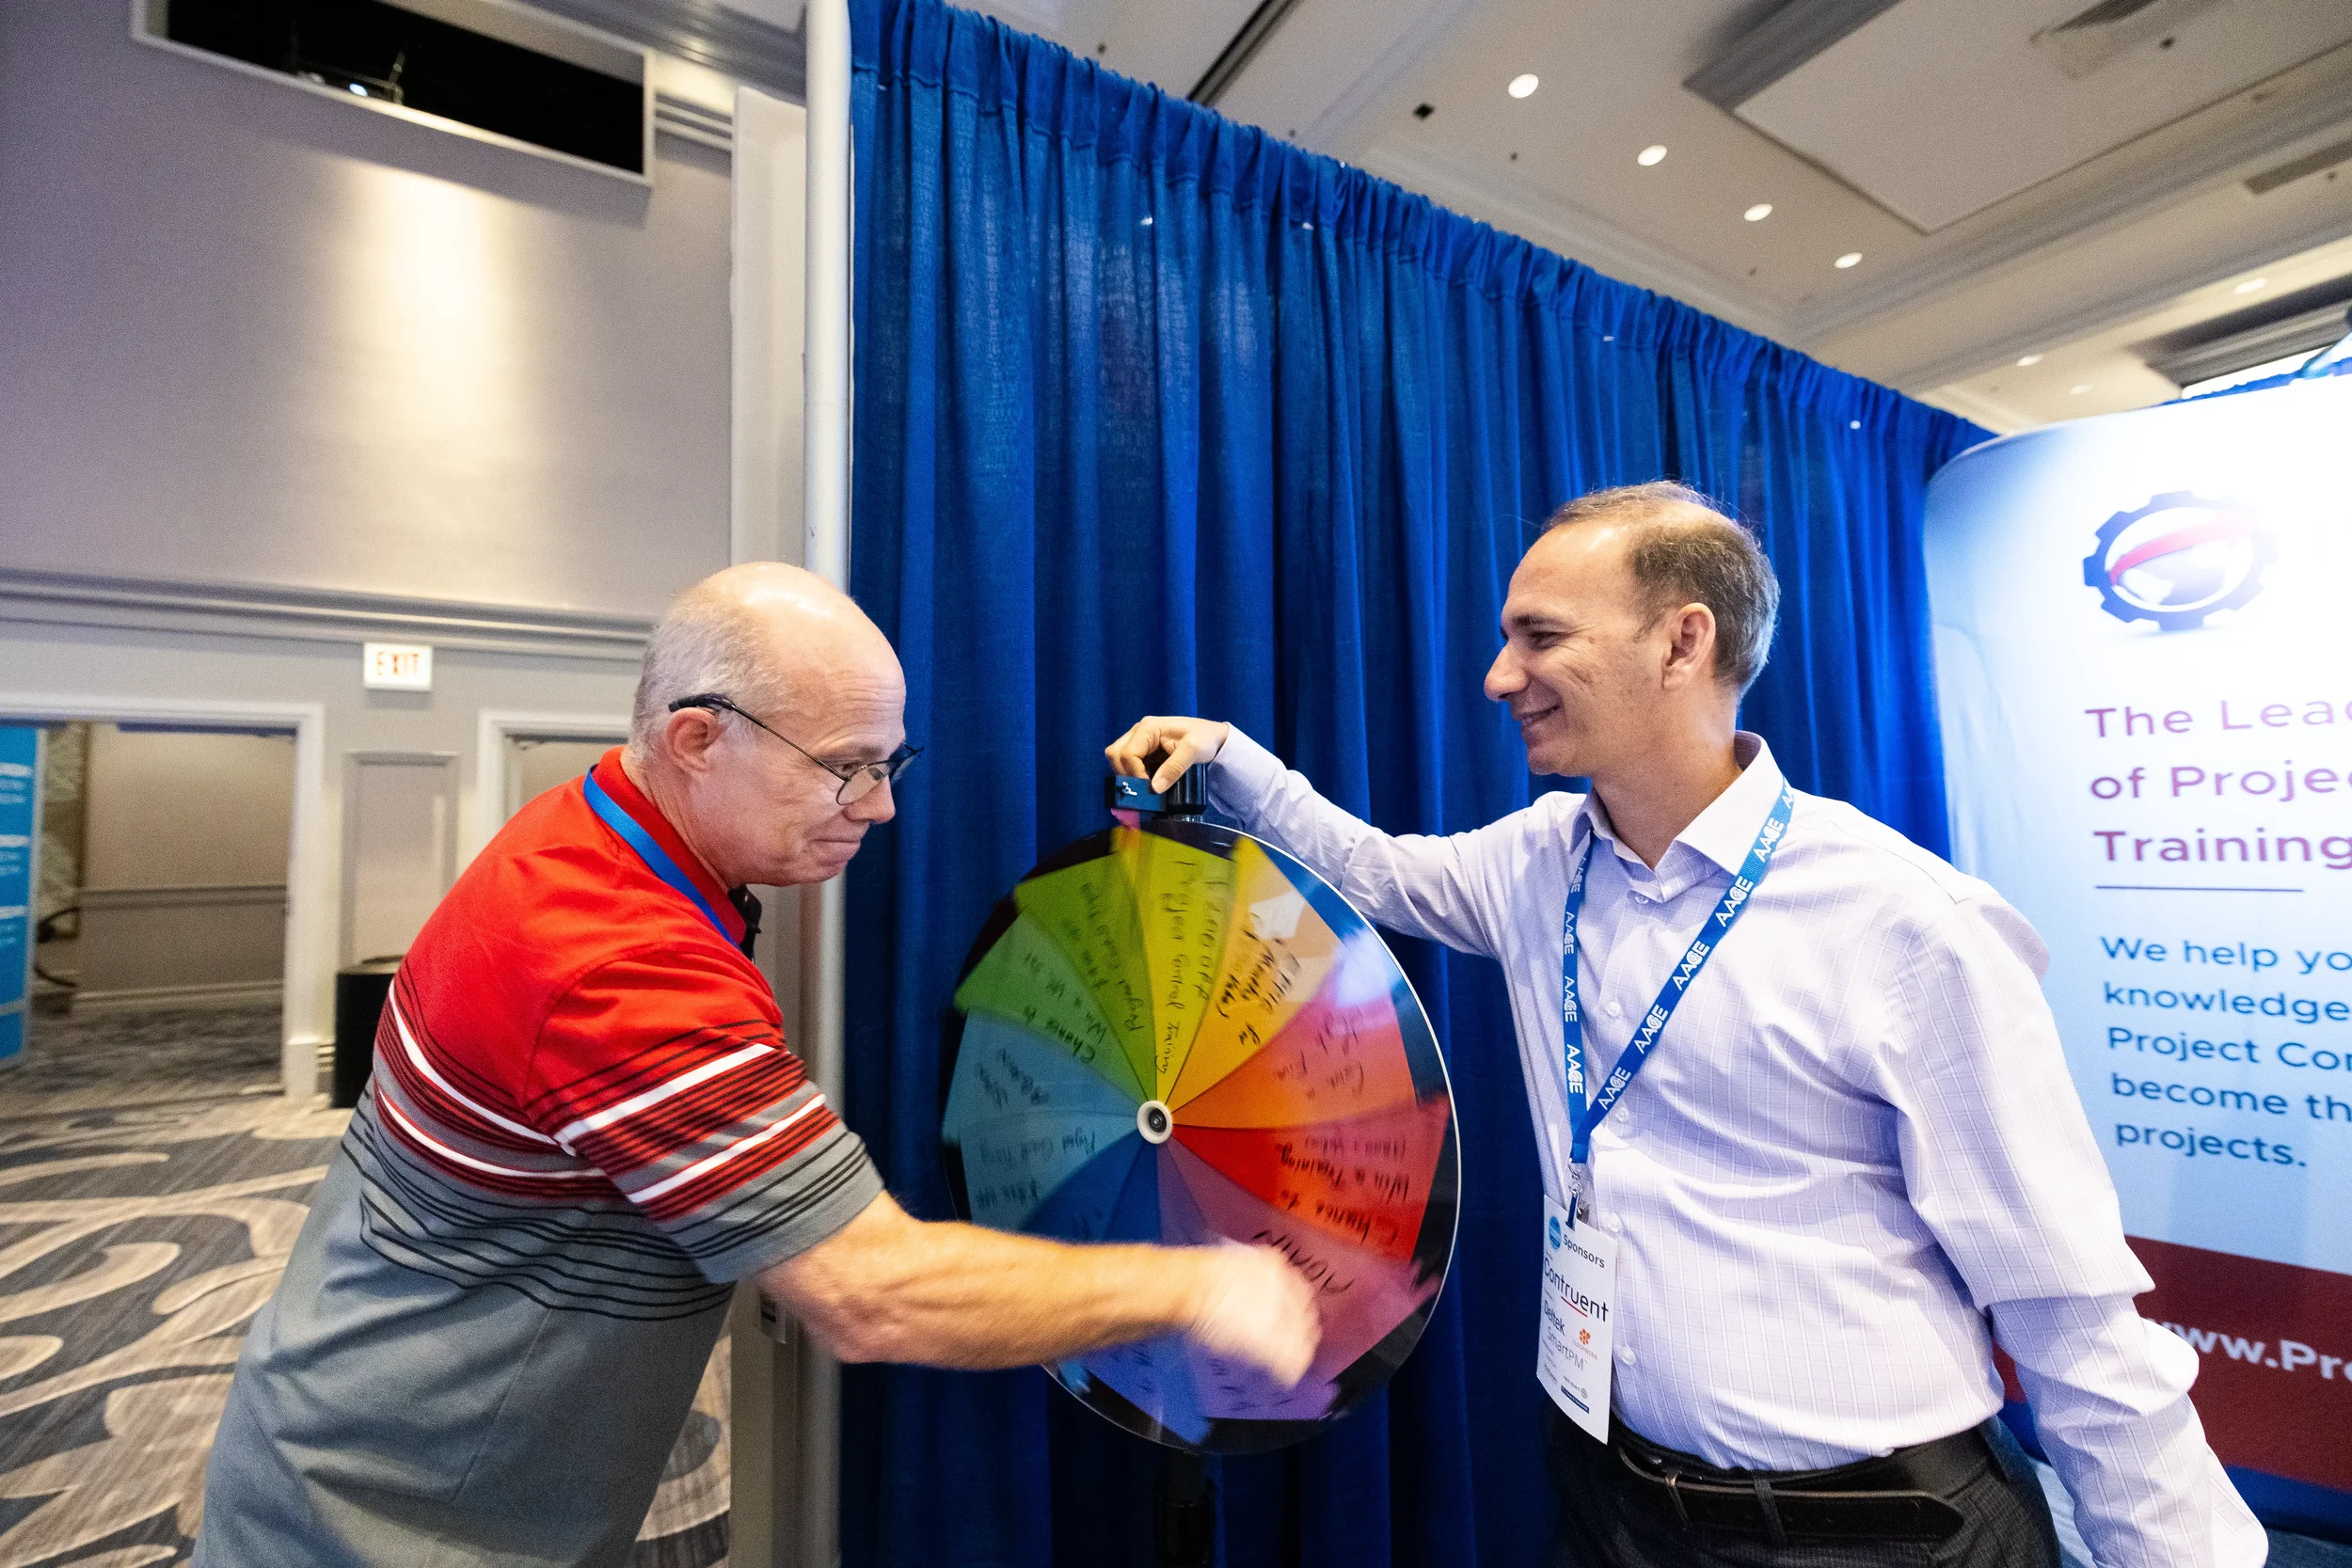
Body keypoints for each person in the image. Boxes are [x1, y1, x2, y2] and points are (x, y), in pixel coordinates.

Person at [1108, 483, 2265, 1568]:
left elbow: (2064, 1303)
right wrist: (1229, 756)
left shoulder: (1908, 921)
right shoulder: (1535, 860)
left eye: (1539, 636)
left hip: (1868, 1528)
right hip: (1612, 1499)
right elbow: (1376, 869)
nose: (1499, 676)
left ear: (1681, 642)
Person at [198, 563, 1318, 1567]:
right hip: (390, 1518)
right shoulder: (616, 962)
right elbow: (872, 1291)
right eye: (846, 767)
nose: (880, 804)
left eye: (889, 762)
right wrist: (1204, 1285)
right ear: (696, 738)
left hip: (397, 1454)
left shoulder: (592, 831)